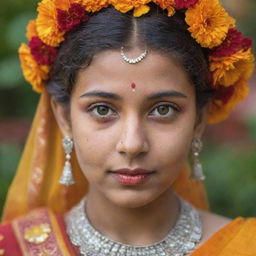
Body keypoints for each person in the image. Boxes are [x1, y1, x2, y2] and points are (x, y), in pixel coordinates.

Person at [0, 0, 255, 255]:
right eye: (102, 110)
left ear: (199, 121)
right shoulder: (13, 248)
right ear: (65, 119)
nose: (132, 144)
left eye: (163, 109)